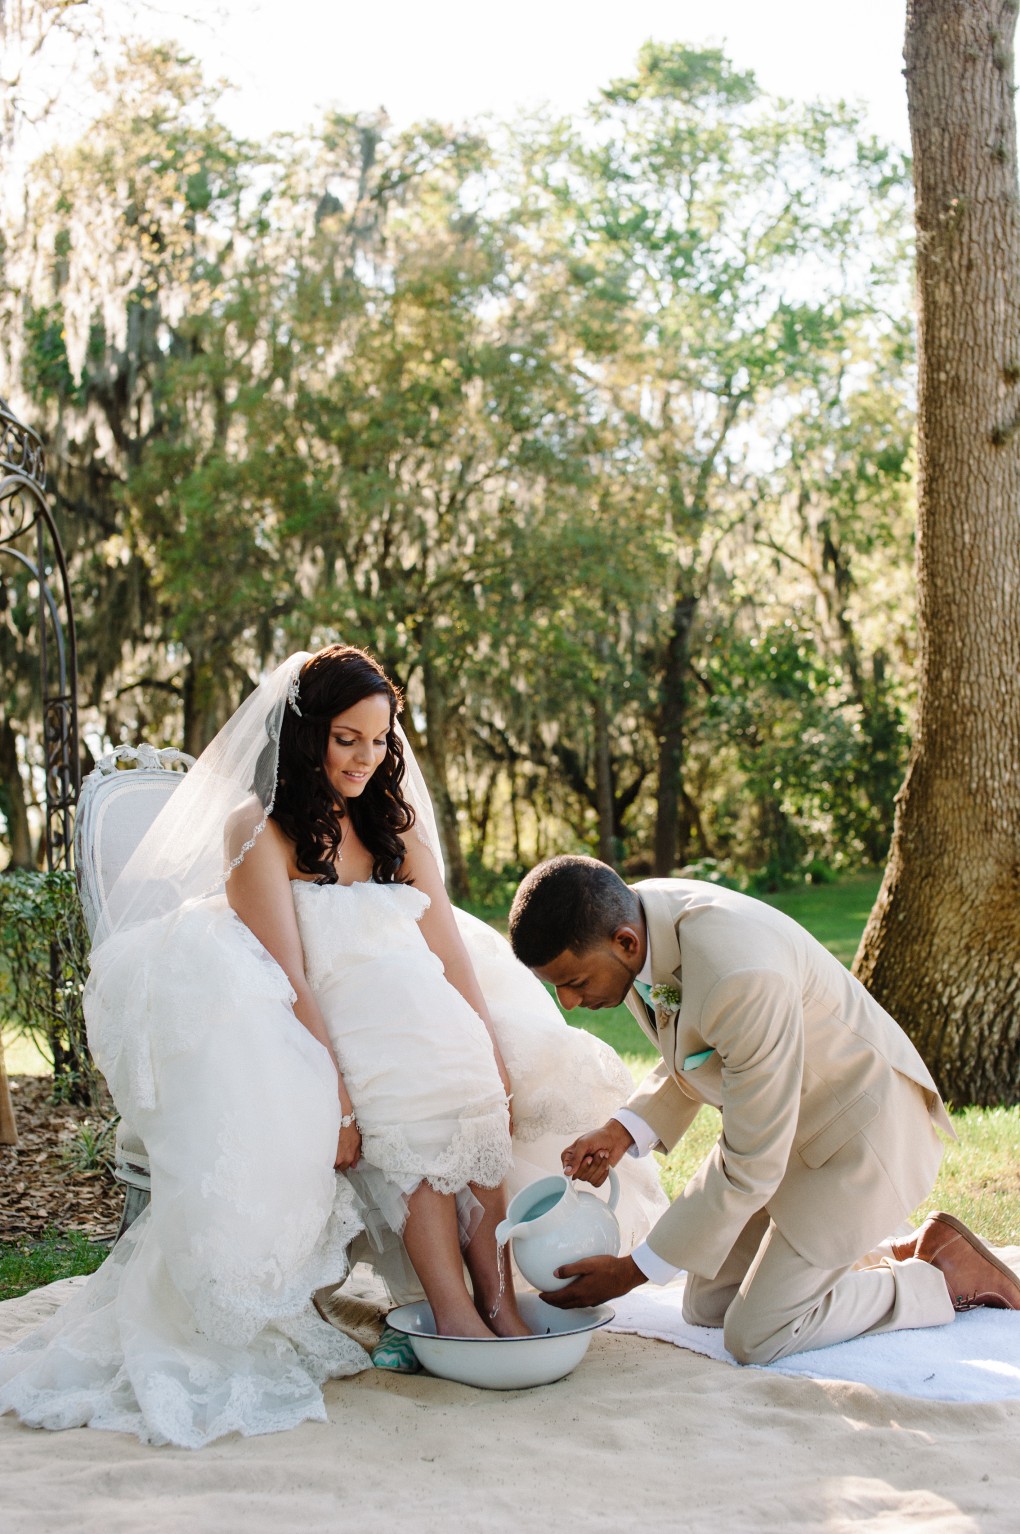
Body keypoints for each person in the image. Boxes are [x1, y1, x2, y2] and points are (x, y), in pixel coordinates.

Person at [0, 653, 664, 1447]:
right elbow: (290, 979)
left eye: (380, 742)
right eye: (346, 739)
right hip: (339, 1020)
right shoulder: (260, 829)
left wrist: (490, 1048)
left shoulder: (395, 828)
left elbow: (450, 955)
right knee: (422, 1112)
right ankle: (452, 1315)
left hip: (423, 1002)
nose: (364, 758)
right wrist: (338, 1099)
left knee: (480, 1106)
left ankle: (496, 1299)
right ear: (307, 732)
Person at [507, 856, 1020, 1365]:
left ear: (625, 943)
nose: (569, 1003)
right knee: (709, 1305)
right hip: (786, 1131)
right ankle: (901, 1251)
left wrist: (630, 1271)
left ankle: (941, 1279)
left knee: (758, 1335)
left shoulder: (738, 973)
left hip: (862, 1139)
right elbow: (699, 1047)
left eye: (574, 982)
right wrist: (623, 1131)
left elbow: (750, 1162)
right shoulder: (638, 915)